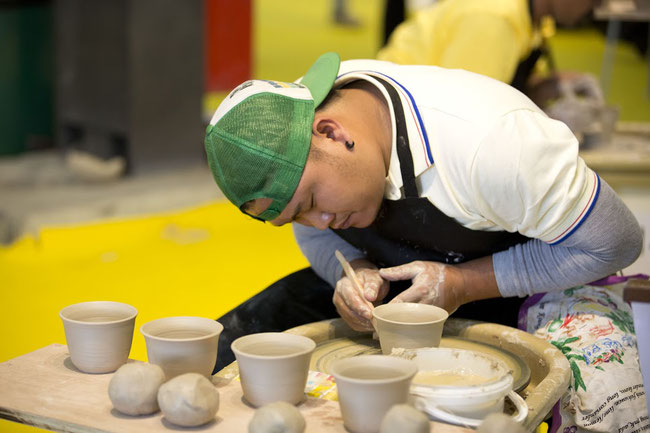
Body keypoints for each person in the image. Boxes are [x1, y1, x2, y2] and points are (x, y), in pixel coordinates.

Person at [204, 52, 647, 431]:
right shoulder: (288, 123)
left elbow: (616, 242)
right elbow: (311, 229)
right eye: (295, 217)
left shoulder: (493, 146)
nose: (317, 223)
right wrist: (354, 270)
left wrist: (461, 284)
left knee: (591, 390)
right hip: (407, 282)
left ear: (332, 132)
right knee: (236, 346)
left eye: (313, 201)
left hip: (540, 278)